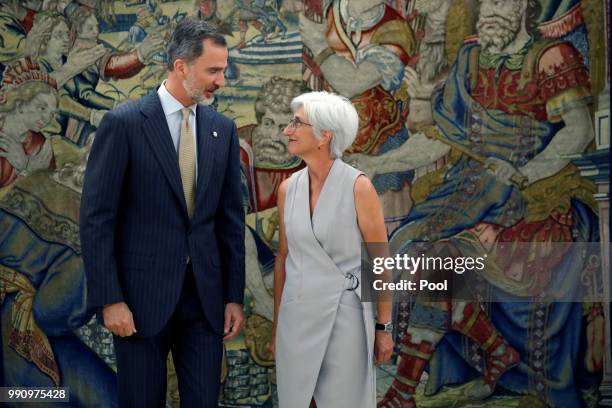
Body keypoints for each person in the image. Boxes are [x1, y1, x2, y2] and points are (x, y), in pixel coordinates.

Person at [80, 18, 246, 407]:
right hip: (138, 304)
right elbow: (96, 219)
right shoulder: (123, 124)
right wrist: (110, 299)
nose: (220, 80)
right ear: (181, 67)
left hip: (205, 304)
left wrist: (233, 296)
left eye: (223, 70)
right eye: (213, 70)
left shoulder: (223, 129)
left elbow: (230, 223)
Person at [271, 91, 394, 407]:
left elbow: (380, 262)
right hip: (296, 323)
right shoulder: (288, 189)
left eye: (297, 122)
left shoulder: (358, 186)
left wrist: (383, 326)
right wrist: (277, 329)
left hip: (346, 321)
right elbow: (284, 260)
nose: (287, 130)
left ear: (325, 135)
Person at [0, 57, 57, 189]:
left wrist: (25, 167)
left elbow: (47, 193)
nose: (47, 118)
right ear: (20, 103)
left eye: (52, 113)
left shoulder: (40, 145)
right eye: (42, 108)